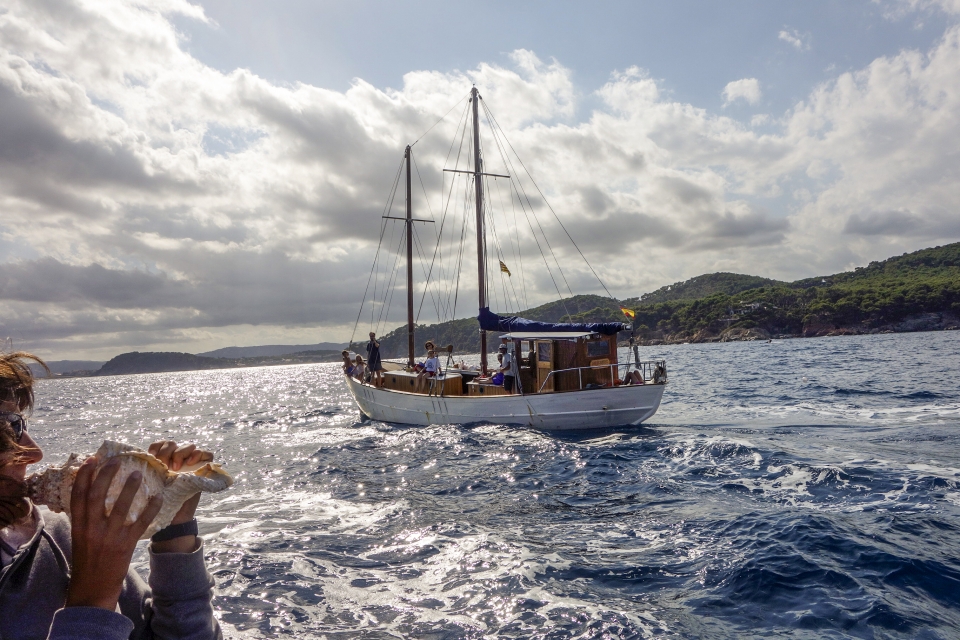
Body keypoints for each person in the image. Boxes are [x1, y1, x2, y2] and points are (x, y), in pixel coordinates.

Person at [0, 351, 222, 640]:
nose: (34, 452)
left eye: (20, 425)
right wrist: (93, 598)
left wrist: (174, 532)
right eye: (6, 429)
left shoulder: (56, 532)